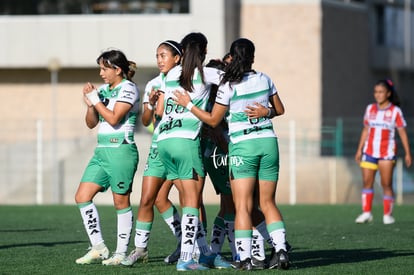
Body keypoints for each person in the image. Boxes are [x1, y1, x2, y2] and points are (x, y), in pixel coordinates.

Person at [173, 38, 290, 270]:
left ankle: (244, 259)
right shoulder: (265, 78)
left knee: (243, 206)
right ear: (253, 57)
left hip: (243, 146)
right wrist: (265, 111)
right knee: (267, 202)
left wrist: (188, 105)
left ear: (232, 57)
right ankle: (282, 251)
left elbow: (213, 120)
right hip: (268, 143)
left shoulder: (228, 85)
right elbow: (279, 109)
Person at [157, 32, 231, 271]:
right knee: (192, 203)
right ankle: (186, 259)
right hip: (185, 140)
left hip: (164, 141)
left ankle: (206, 253)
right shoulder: (205, 73)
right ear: (203, 51)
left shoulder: (170, 74)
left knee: (191, 198)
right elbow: (231, 79)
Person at [121, 40, 183, 267]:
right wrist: (151, 104)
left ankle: (191, 246)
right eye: (157, 55)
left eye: (164, 55)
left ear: (177, 58)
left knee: (190, 200)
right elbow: (146, 121)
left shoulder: (186, 81)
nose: (159, 60)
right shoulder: (153, 84)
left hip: (180, 147)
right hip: (158, 147)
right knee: (149, 198)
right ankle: (140, 249)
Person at [74, 49, 140, 265]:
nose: (101, 73)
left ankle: (120, 253)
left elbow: (113, 119)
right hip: (101, 151)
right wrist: (90, 104)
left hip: (121, 150)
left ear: (117, 69)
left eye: (104, 68)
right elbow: (92, 123)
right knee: (82, 197)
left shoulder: (129, 88)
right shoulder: (103, 90)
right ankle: (99, 247)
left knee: (121, 202)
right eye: (100, 68)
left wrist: (96, 100)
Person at [354, 79, 412, 225]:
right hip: (369, 151)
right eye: (376, 92)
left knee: (386, 183)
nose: (378, 95)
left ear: (388, 93)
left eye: (381, 92)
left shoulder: (395, 111)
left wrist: (408, 153)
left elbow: (402, 133)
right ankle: (366, 213)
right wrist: (359, 149)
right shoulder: (370, 109)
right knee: (367, 182)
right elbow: (366, 129)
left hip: (387, 152)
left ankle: (388, 215)